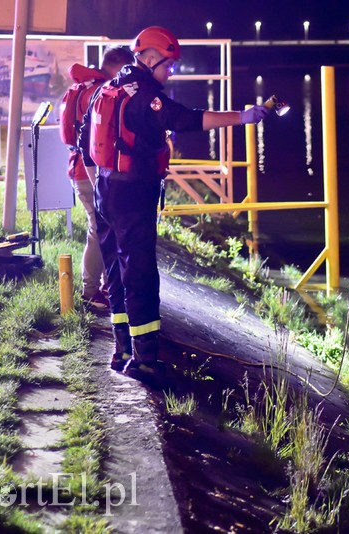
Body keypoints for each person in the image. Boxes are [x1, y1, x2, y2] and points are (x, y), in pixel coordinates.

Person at [82, 26, 270, 387]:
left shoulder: (109, 88)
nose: (172, 72)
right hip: (134, 193)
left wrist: (102, 182)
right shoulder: (145, 97)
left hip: (107, 189)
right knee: (139, 274)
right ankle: (145, 361)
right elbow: (186, 119)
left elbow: (84, 138)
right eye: (169, 66)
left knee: (117, 273)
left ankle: (121, 351)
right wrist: (242, 117)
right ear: (150, 60)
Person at [59, 45, 135, 311]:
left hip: (79, 167)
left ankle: (106, 285)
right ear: (117, 66)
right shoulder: (100, 92)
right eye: (128, 68)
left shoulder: (83, 87)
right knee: (98, 228)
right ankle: (90, 290)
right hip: (90, 172)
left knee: (103, 227)